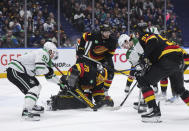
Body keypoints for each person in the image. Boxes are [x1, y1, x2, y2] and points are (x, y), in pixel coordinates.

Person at [118, 24, 189, 123]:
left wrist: (143, 59)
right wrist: (139, 69)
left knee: (143, 81)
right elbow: (142, 65)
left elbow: (152, 42)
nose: (125, 47)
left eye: (124, 44)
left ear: (128, 39)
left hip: (167, 59)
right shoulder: (136, 46)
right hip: (178, 61)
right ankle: (148, 103)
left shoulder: (141, 37)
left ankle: (154, 111)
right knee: (179, 89)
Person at [6, 42, 59, 121]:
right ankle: (26, 111)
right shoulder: (43, 53)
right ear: (50, 51)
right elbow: (41, 70)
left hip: (21, 71)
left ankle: (31, 104)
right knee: (34, 88)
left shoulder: (43, 55)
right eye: (53, 53)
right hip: (16, 70)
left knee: (37, 86)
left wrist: (60, 82)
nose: (54, 55)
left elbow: (49, 76)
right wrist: (49, 70)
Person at [76, 24, 117, 102]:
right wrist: (80, 50)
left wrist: (107, 62)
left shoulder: (113, 40)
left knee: (111, 73)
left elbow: (110, 54)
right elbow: (84, 36)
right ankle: (87, 92)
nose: (108, 34)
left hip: (104, 58)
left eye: (109, 32)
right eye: (106, 32)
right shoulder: (95, 35)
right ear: (101, 32)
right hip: (90, 58)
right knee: (90, 74)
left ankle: (105, 92)